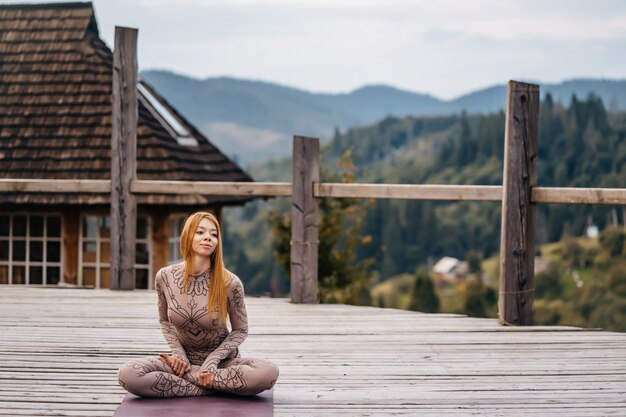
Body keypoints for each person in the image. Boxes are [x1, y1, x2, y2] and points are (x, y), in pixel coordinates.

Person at [117, 211, 279, 398]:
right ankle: (207, 386)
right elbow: (165, 321)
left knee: (267, 373)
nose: (207, 238)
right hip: (182, 364)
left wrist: (212, 361)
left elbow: (240, 330)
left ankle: (201, 380)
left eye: (213, 234)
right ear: (188, 236)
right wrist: (179, 355)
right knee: (127, 375)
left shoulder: (230, 283)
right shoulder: (165, 277)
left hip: (221, 364)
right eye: (200, 232)